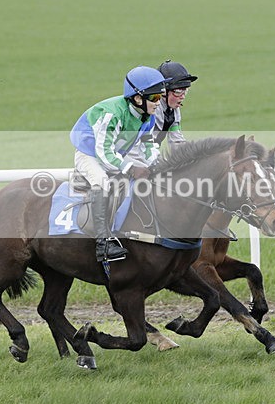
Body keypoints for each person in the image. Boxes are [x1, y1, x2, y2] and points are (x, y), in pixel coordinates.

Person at [70, 66, 167, 262]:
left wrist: (157, 166)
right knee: (102, 182)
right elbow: (103, 153)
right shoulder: (112, 114)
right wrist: (130, 168)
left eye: (161, 97)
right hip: (89, 153)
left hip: (115, 153)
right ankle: (103, 244)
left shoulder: (148, 116)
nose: (159, 103)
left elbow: (148, 147)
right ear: (138, 98)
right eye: (155, 97)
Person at [152, 60, 198, 146]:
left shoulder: (172, 108)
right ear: (164, 91)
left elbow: (177, 141)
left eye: (185, 91)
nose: (182, 96)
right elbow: (144, 145)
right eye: (178, 92)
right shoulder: (151, 109)